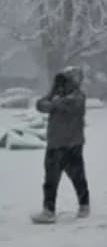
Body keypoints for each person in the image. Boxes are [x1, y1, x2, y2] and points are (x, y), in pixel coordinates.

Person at [31, 67, 90, 224]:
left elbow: (61, 105)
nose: (61, 85)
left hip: (72, 144)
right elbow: (40, 105)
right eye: (59, 82)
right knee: (50, 180)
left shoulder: (78, 97)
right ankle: (48, 211)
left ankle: (84, 205)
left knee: (78, 177)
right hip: (54, 144)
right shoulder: (57, 95)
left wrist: (54, 101)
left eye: (64, 81)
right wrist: (52, 96)